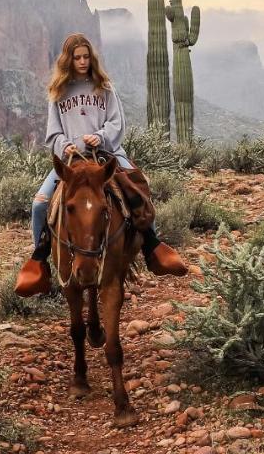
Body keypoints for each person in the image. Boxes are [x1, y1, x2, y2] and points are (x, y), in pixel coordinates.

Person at [14, 33, 187, 297]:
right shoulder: (58, 93)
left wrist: (100, 136)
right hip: (72, 162)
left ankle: (153, 246)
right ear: (68, 60)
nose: (82, 62)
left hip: (106, 154)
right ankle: (39, 261)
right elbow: (53, 132)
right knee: (40, 204)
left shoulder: (104, 88)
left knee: (139, 188)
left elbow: (116, 123)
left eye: (86, 57)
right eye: (77, 57)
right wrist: (64, 145)